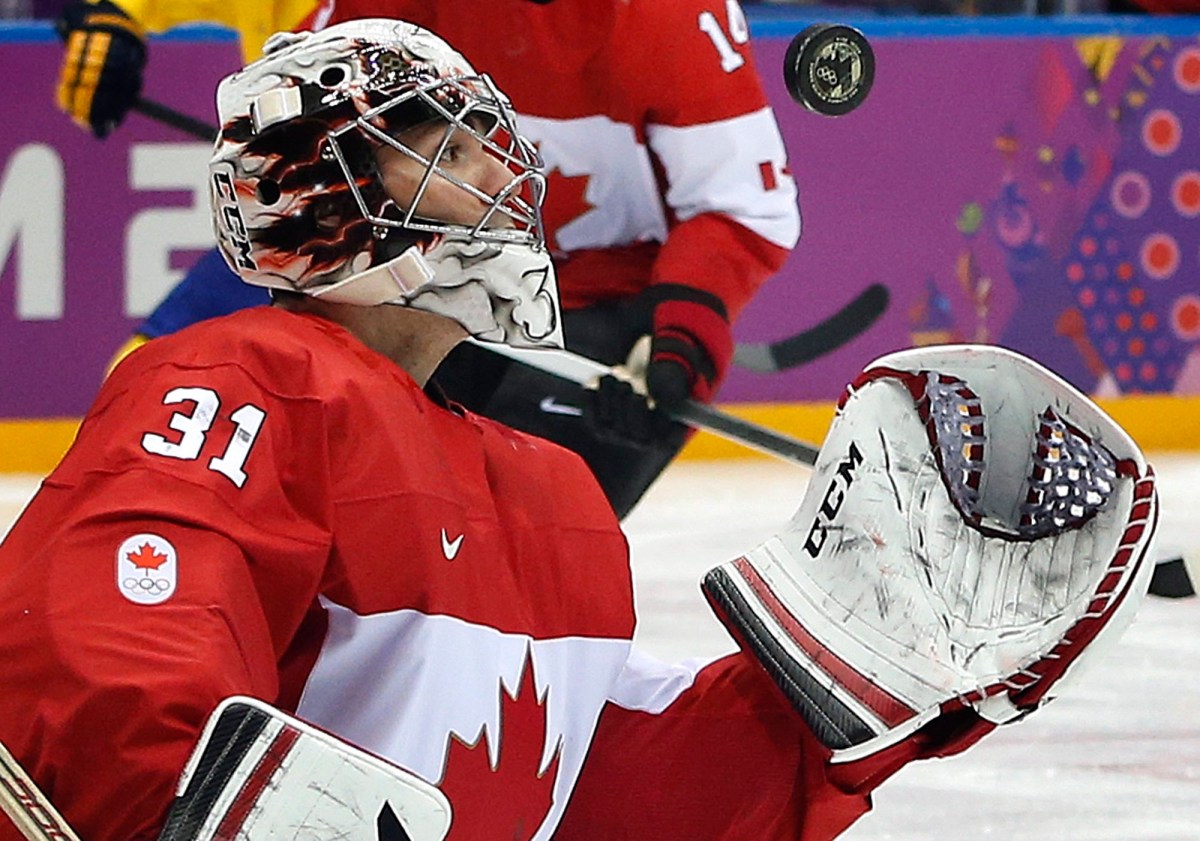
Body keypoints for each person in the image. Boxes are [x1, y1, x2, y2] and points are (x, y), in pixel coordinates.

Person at [4, 18, 1160, 841]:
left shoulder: (554, 496)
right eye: (451, 151)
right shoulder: (240, 378)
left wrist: (865, 694)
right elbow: (110, 657)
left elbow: (596, 786)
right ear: (328, 192)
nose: (512, 178)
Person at [53, 0, 801, 519]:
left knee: (510, 552)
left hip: (605, 312)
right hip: (429, 277)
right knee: (342, 515)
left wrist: (681, 334)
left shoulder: (668, 20)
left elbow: (739, 206)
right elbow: (305, 119)